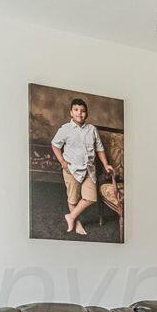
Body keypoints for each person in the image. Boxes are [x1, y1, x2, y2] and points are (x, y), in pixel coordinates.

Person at [50, 97, 116, 236]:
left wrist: (106, 164)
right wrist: (62, 162)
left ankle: (71, 216)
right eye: (76, 110)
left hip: (88, 170)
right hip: (71, 169)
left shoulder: (92, 129)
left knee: (91, 197)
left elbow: (99, 149)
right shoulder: (65, 129)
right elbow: (55, 145)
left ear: (86, 114)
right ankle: (77, 222)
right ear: (71, 112)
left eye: (83, 111)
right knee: (73, 198)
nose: (79, 113)